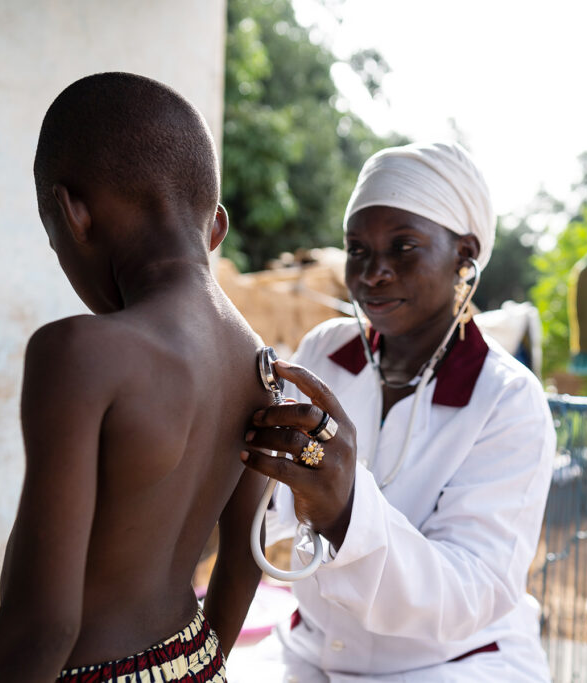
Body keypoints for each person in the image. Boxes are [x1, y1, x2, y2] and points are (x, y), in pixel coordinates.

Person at [0, 72, 269, 682]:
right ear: (215, 227)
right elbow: (244, 562)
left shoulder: (82, 353)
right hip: (201, 663)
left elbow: (43, 624)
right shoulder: (263, 367)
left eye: (53, 242)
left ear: (71, 213)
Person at [238, 141, 556, 681]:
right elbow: (272, 509)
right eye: (357, 250)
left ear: (465, 256)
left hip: (446, 665)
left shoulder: (506, 400)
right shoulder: (325, 352)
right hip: (312, 649)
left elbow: (471, 591)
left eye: (403, 247)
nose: (374, 273)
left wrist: (345, 510)